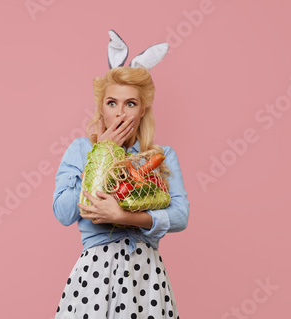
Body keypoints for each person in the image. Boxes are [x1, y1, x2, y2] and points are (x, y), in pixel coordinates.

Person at [52, 65, 189, 318]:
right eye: (112, 103)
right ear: (101, 109)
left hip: (146, 276)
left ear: (142, 110)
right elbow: (63, 213)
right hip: (95, 274)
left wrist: (125, 218)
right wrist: (101, 155)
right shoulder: (82, 149)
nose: (120, 113)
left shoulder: (161, 156)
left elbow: (180, 216)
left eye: (130, 104)